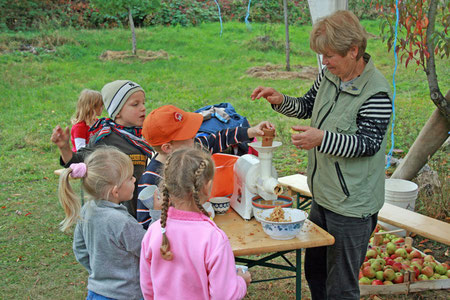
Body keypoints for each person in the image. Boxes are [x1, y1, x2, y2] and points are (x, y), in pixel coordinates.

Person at [251, 10, 392, 300]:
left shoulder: (376, 92)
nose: (324, 62)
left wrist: (322, 139)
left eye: (329, 56)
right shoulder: (330, 75)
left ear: (353, 51)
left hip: (352, 204)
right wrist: (280, 101)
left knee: (340, 286)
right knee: (315, 271)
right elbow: (307, 106)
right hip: (324, 195)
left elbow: (368, 143)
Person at [136, 104, 274, 229]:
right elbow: (145, 225)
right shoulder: (151, 178)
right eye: (189, 136)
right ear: (167, 147)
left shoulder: (192, 147)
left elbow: (219, 138)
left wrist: (251, 131)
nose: (195, 137)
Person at [140, 147, 251, 299]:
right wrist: (241, 282)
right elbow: (225, 295)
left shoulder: (154, 231)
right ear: (207, 186)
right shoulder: (213, 237)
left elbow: (147, 287)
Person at [51, 80, 153, 218]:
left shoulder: (141, 134)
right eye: (135, 104)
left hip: (140, 200)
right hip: (119, 210)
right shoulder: (106, 136)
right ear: (117, 112)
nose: (143, 108)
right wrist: (64, 147)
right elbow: (78, 160)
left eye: (143, 103)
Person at [58, 146, 146, 300]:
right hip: (127, 295)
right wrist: (157, 215)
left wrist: (98, 272)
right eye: (130, 177)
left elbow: (80, 248)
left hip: (96, 292)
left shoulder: (87, 210)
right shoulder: (122, 222)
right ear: (115, 191)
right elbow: (148, 250)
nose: (134, 179)